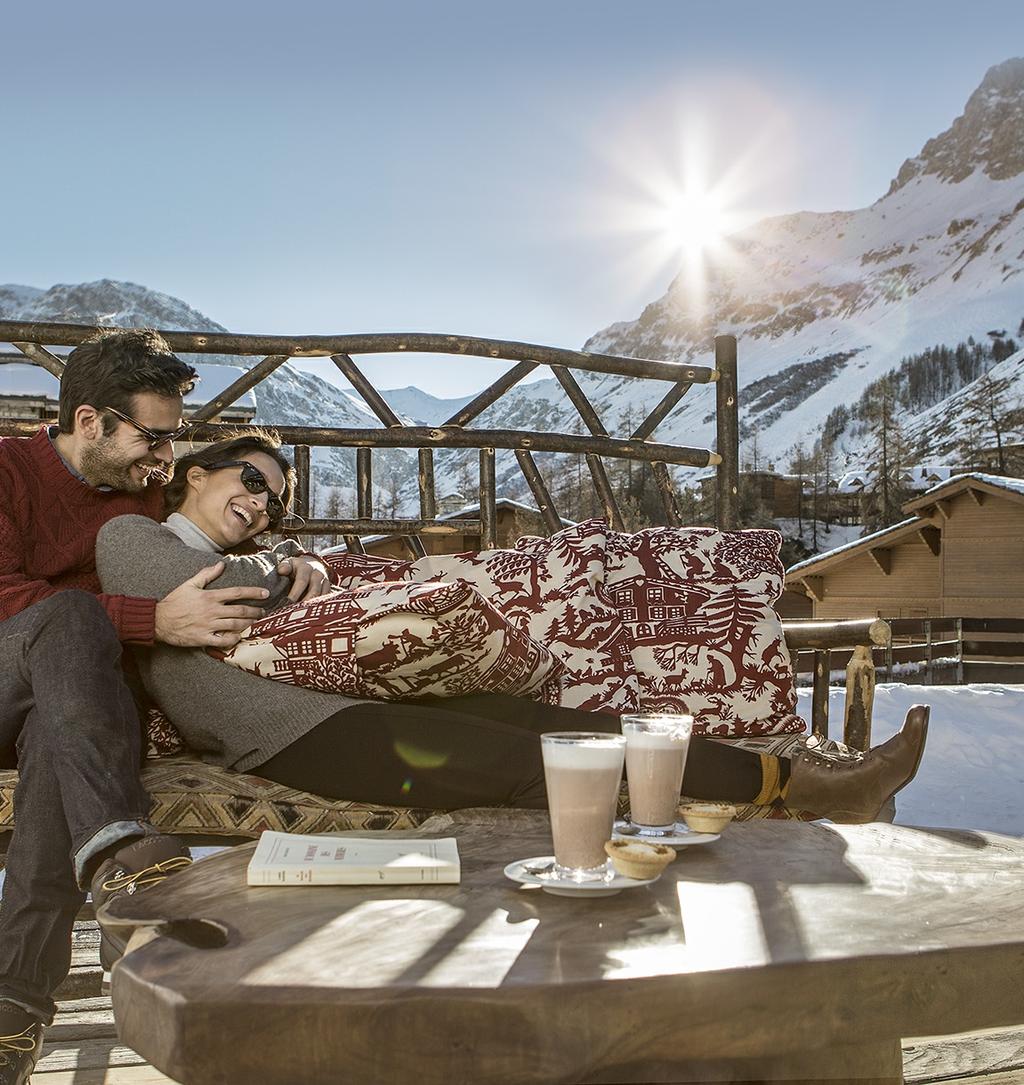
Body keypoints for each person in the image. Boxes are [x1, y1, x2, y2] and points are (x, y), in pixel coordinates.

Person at [95, 432, 929, 831]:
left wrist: (305, 569)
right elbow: (232, 601)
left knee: (577, 729)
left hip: (349, 698)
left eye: (275, 498)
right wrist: (300, 574)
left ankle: (803, 780)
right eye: (250, 479)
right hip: (289, 733)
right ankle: (798, 795)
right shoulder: (135, 540)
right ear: (195, 472)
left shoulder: (274, 559)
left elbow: (287, 595)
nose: (261, 503)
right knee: (536, 767)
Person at [0, 330, 327, 1085]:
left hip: (72, 720)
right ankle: (120, 842)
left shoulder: (147, 489)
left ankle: (14, 1017)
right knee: (74, 621)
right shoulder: (6, 471)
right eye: (153, 438)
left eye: (174, 438)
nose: (165, 457)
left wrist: (295, 559)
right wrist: (152, 622)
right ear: (90, 422)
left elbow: (216, 538)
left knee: (63, 730)